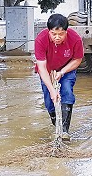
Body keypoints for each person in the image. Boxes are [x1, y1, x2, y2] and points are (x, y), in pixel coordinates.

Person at [34, 13, 84, 141]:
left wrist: (62, 72)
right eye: (53, 34)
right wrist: (52, 90)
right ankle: (57, 125)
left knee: (67, 90)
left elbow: (77, 60)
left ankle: (64, 130)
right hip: (47, 70)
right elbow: (41, 66)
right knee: (49, 101)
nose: (57, 37)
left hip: (67, 69)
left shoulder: (75, 39)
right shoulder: (41, 39)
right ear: (48, 31)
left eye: (61, 34)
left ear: (66, 31)